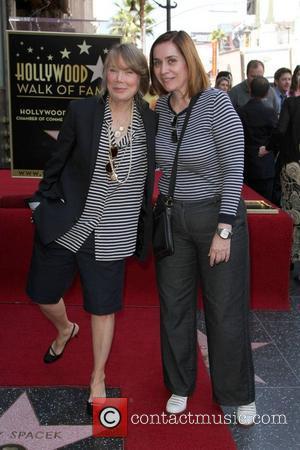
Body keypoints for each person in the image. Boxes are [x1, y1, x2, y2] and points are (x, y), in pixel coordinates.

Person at [26, 43, 156, 414]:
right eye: (113, 70)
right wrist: (41, 203)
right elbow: (58, 160)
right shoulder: (82, 112)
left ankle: (96, 376)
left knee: (103, 308)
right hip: (70, 222)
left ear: (140, 78)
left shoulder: (151, 119)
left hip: (115, 230)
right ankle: (66, 329)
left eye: (128, 72)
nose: (119, 78)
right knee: (42, 293)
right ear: (105, 75)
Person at [149, 30, 256, 426]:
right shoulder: (161, 108)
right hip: (174, 221)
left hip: (217, 218)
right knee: (174, 309)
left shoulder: (216, 103)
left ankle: (240, 394)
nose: (164, 70)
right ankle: (180, 385)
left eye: (171, 60)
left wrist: (224, 228)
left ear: (188, 60)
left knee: (225, 312)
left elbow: (233, 169)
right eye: (158, 62)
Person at [238, 76, 278, 201]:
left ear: (250, 90)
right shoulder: (270, 112)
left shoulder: (240, 111)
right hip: (265, 165)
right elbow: (277, 135)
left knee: (248, 204)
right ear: (267, 92)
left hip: (246, 164)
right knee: (267, 205)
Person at [275, 96, 300, 280]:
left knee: (294, 213)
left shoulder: (292, 103)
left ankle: (294, 262)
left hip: (293, 165)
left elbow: (281, 130)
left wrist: (269, 148)